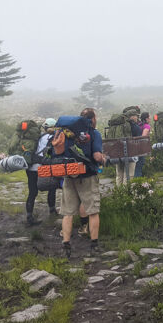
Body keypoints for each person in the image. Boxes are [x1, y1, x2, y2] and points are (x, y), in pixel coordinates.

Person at [61, 108, 105, 257]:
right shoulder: (94, 133)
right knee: (93, 211)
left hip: (68, 175)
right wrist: (104, 159)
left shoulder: (68, 133)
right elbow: (97, 156)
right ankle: (94, 245)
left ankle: (66, 244)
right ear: (93, 119)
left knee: (68, 213)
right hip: (87, 176)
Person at [24, 117, 58, 226]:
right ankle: (52, 211)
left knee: (32, 192)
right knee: (52, 187)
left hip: (30, 168)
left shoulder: (38, 137)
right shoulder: (53, 138)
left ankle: (29, 216)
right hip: (42, 167)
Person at [115, 106, 142, 185]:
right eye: (136, 116)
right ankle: (126, 194)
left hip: (117, 153)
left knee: (119, 175)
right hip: (130, 153)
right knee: (129, 175)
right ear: (132, 116)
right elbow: (139, 141)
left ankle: (118, 194)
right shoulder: (135, 127)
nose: (137, 118)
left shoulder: (118, 126)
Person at [134, 111, 152, 178]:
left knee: (136, 165)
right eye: (149, 117)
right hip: (141, 148)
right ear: (146, 119)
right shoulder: (147, 126)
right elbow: (143, 136)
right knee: (139, 165)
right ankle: (137, 182)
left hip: (135, 147)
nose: (150, 118)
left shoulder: (139, 124)